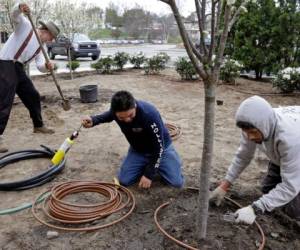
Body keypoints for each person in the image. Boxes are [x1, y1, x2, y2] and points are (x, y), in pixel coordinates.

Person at [210, 96, 300, 225]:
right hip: (282, 156)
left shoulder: (290, 139)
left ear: (264, 126)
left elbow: (290, 187)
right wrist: (224, 185)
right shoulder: (253, 126)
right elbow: (243, 156)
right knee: (268, 192)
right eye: (246, 132)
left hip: (297, 152)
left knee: (293, 211)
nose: (250, 137)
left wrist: (255, 208)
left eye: (252, 132)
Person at [82, 90, 184, 189]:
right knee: (124, 180)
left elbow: (159, 147)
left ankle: (170, 161)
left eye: (130, 115)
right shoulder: (115, 112)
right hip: (138, 150)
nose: (127, 120)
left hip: (161, 149)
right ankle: (148, 164)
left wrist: (148, 174)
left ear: (135, 105)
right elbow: (107, 116)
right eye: (121, 118)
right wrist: (93, 120)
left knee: (176, 183)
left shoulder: (149, 114)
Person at [0, 2, 60, 153]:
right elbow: (15, 16)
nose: (51, 40)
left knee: (32, 95)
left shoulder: (42, 46)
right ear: (45, 31)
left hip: (18, 68)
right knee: (5, 100)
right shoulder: (26, 26)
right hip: (5, 63)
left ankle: (38, 125)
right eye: (51, 36)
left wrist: (47, 66)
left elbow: (40, 65)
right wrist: (19, 7)